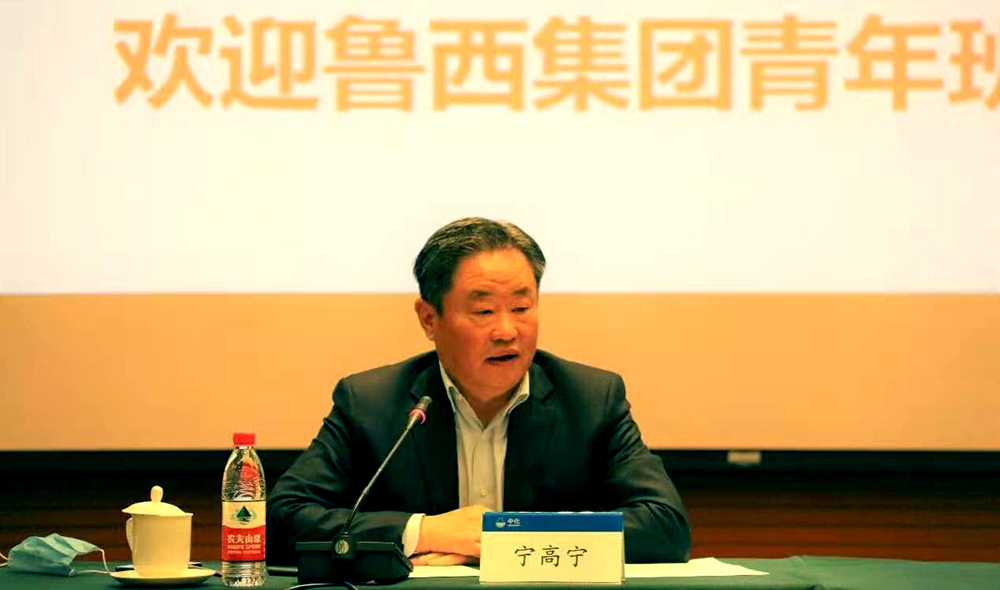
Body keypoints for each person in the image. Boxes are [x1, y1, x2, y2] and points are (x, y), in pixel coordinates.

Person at [267, 217, 691, 565]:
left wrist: (501, 540)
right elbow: (281, 520)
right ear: (429, 319)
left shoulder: (591, 399)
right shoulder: (371, 403)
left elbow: (665, 527)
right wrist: (425, 531)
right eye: (484, 310)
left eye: (522, 308)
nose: (507, 331)